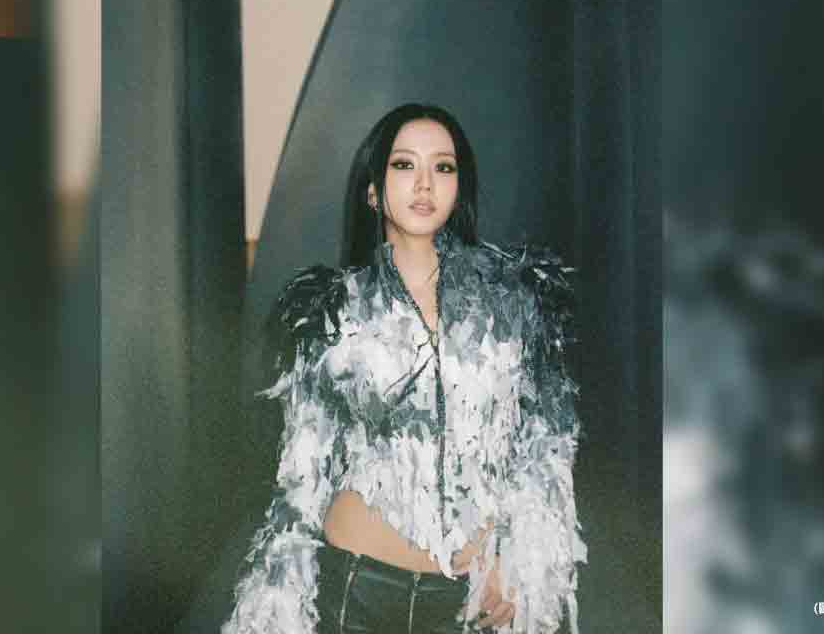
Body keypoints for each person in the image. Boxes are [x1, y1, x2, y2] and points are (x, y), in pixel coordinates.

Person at [223, 104, 585, 633]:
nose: (424, 183)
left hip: (472, 596)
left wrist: (523, 558)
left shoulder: (514, 301)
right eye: (403, 164)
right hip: (356, 586)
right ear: (373, 190)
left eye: (443, 167)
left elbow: (545, 443)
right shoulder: (331, 310)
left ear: (459, 188)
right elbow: (302, 470)